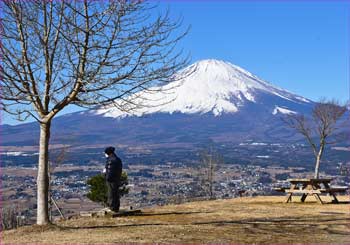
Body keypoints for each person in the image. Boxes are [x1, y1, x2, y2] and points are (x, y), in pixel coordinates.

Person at [104, 146, 123, 212]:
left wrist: (107, 178)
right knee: (115, 193)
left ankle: (112, 208)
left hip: (111, 180)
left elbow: (109, 171)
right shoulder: (117, 159)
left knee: (111, 194)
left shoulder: (111, 160)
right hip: (117, 179)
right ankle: (116, 207)